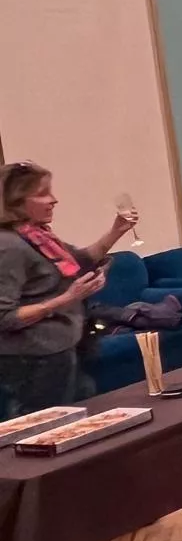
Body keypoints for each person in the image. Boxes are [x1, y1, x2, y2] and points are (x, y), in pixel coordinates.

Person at [0, 163, 134, 415]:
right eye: (42, 193)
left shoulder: (37, 235)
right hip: (34, 359)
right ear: (16, 201)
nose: (54, 200)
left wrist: (115, 232)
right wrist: (68, 298)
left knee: (83, 411)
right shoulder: (8, 245)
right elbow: (4, 317)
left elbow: (80, 260)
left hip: (64, 348)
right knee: (47, 425)